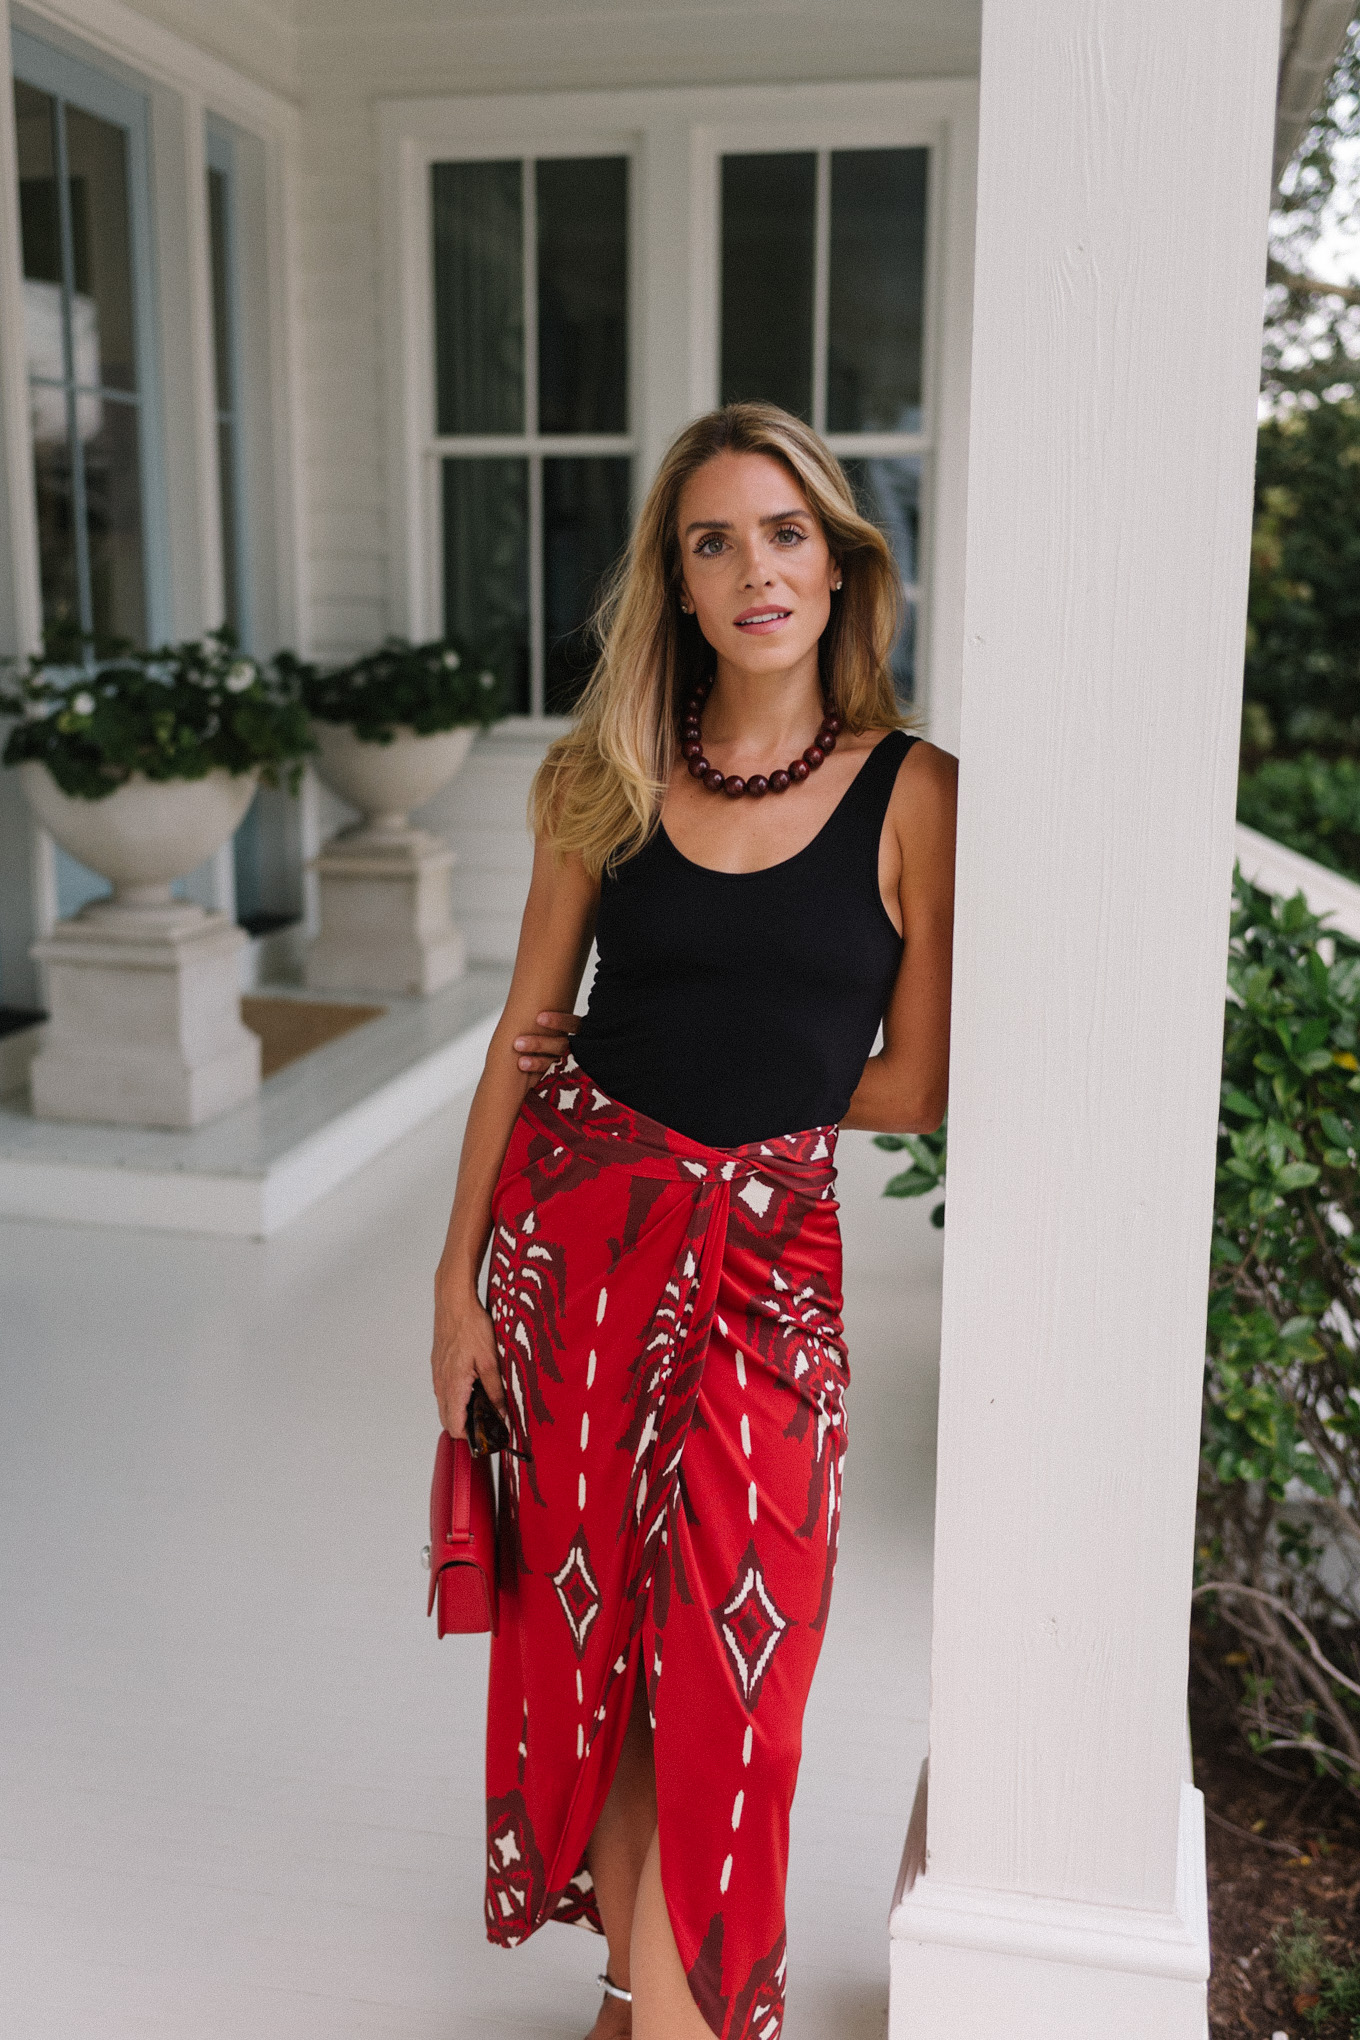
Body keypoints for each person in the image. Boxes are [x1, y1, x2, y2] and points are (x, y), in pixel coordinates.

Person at [430, 401, 956, 2040]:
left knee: (744, 1677)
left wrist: (728, 1131)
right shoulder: (605, 776)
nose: (756, 570)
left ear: (842, 558)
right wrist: (457, 1289)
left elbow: (915, 1082)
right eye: (714, 539)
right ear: (676, 576)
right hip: (573, 1258)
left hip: (768, 1274)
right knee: (607, 1654)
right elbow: (524, 1038)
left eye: (786, 531)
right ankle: (628, 1989)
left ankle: (693, 2017)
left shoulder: (919, 793)